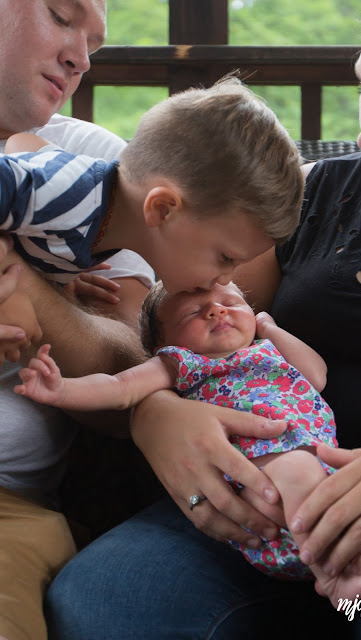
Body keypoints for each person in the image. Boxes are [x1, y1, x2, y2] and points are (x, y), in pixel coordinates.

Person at [44, 1, 361, 639]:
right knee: (109, 600)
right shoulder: (315, 197)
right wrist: (154, 414)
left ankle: (351, 606)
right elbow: (180, 319)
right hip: (247, 505)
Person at [16, 281, 361, 609]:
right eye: (195, 313)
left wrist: (268, 326)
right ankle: (334, 574)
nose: (217, 310)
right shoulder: (182, 363)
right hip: (253, 465)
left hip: (300, 474)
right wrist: (63, 390)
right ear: (162, 342)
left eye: (232, 303)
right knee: (297, 478)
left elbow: (317, 375)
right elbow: (119, 388)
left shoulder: (268, 349)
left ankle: (336, 561)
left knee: (312, 494)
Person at [0, 1, 156, 639]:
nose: (81, 58)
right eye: (62, 15)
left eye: (93, 41)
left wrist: (24, 284)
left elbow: (131, 365)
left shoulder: (95, 168)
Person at [0, 75, 303, 293]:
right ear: (162, 209)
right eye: (225, 259)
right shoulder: (72, 195)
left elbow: (23, 144)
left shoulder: (94, 217)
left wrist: (50, 267)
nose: (226, 280)